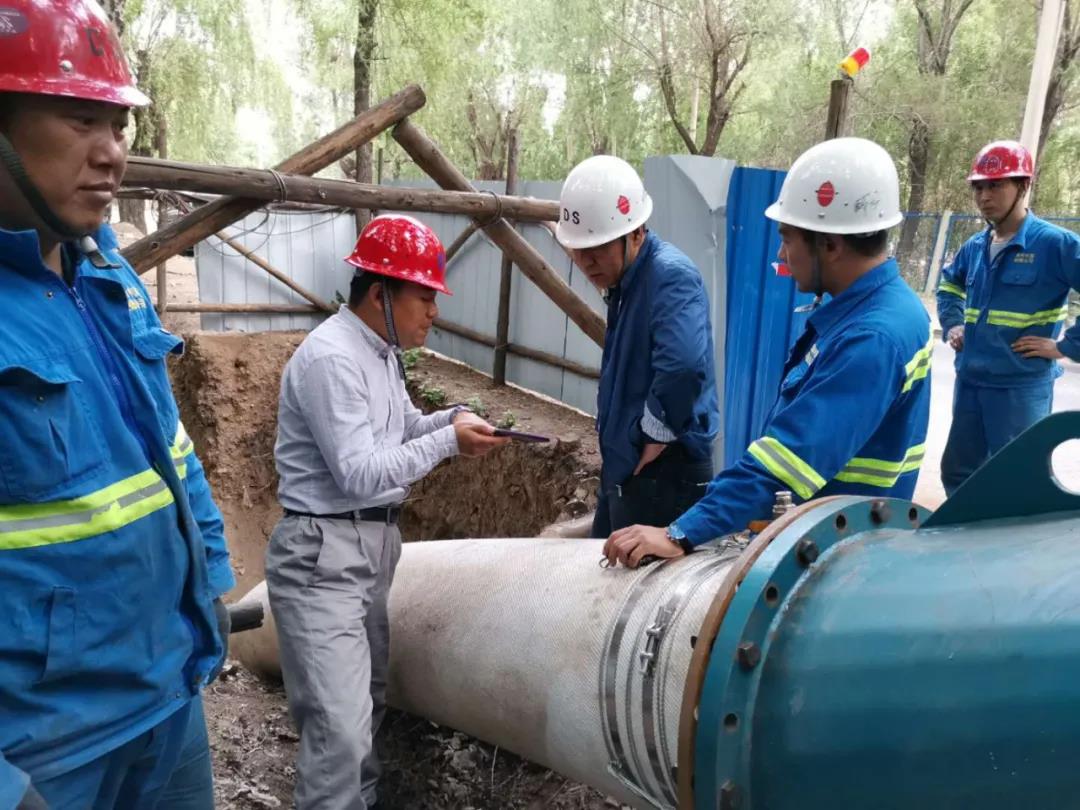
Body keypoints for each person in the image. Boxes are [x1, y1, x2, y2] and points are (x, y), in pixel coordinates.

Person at [0, 1, 234, 807]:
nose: (113, 156)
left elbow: (172, 451)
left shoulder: (111, 281)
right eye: (77, 120)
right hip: (48, 756)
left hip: (168, 705)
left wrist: (210, 584)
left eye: (118, 124)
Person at [266, 214, 508, 810]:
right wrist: (448, 442)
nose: (434, 312)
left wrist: (449, 419)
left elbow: (401, 429)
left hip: (368, 548)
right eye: (424, 297)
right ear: (380, 293)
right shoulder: (331, 359)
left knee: (364, 708)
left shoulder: (379, 354)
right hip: (324, 551)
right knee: (339, 733)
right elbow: (358, 473)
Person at [603, 137, 933, 567]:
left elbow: (786, 462)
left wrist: (680, 533)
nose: (780, 253)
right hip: (842, 536)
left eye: (787, 238)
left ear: (830, 246)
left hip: (842, 556)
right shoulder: (878, 309)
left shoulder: (872, 337)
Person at [554, 155, 720, 538]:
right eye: (579, 250)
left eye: (597, 248)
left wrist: (653, 434)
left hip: (664, 477)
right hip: (631, 469)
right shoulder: (628, 281)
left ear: (636, 232)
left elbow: (684, 366)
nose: (585, 261)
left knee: (639, 593)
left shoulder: (670, 275)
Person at [936, 139, 1080, 495]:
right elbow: (949, 286)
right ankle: (964, 543)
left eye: (996, 185)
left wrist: (1065, 346)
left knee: (1017, 479)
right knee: (959, 474)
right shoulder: (974, 247)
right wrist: (954, 324)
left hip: (1019, 388)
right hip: (970, 381)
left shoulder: (1055, 245)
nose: (985, 195)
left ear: (1024, 186)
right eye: (979, 187)